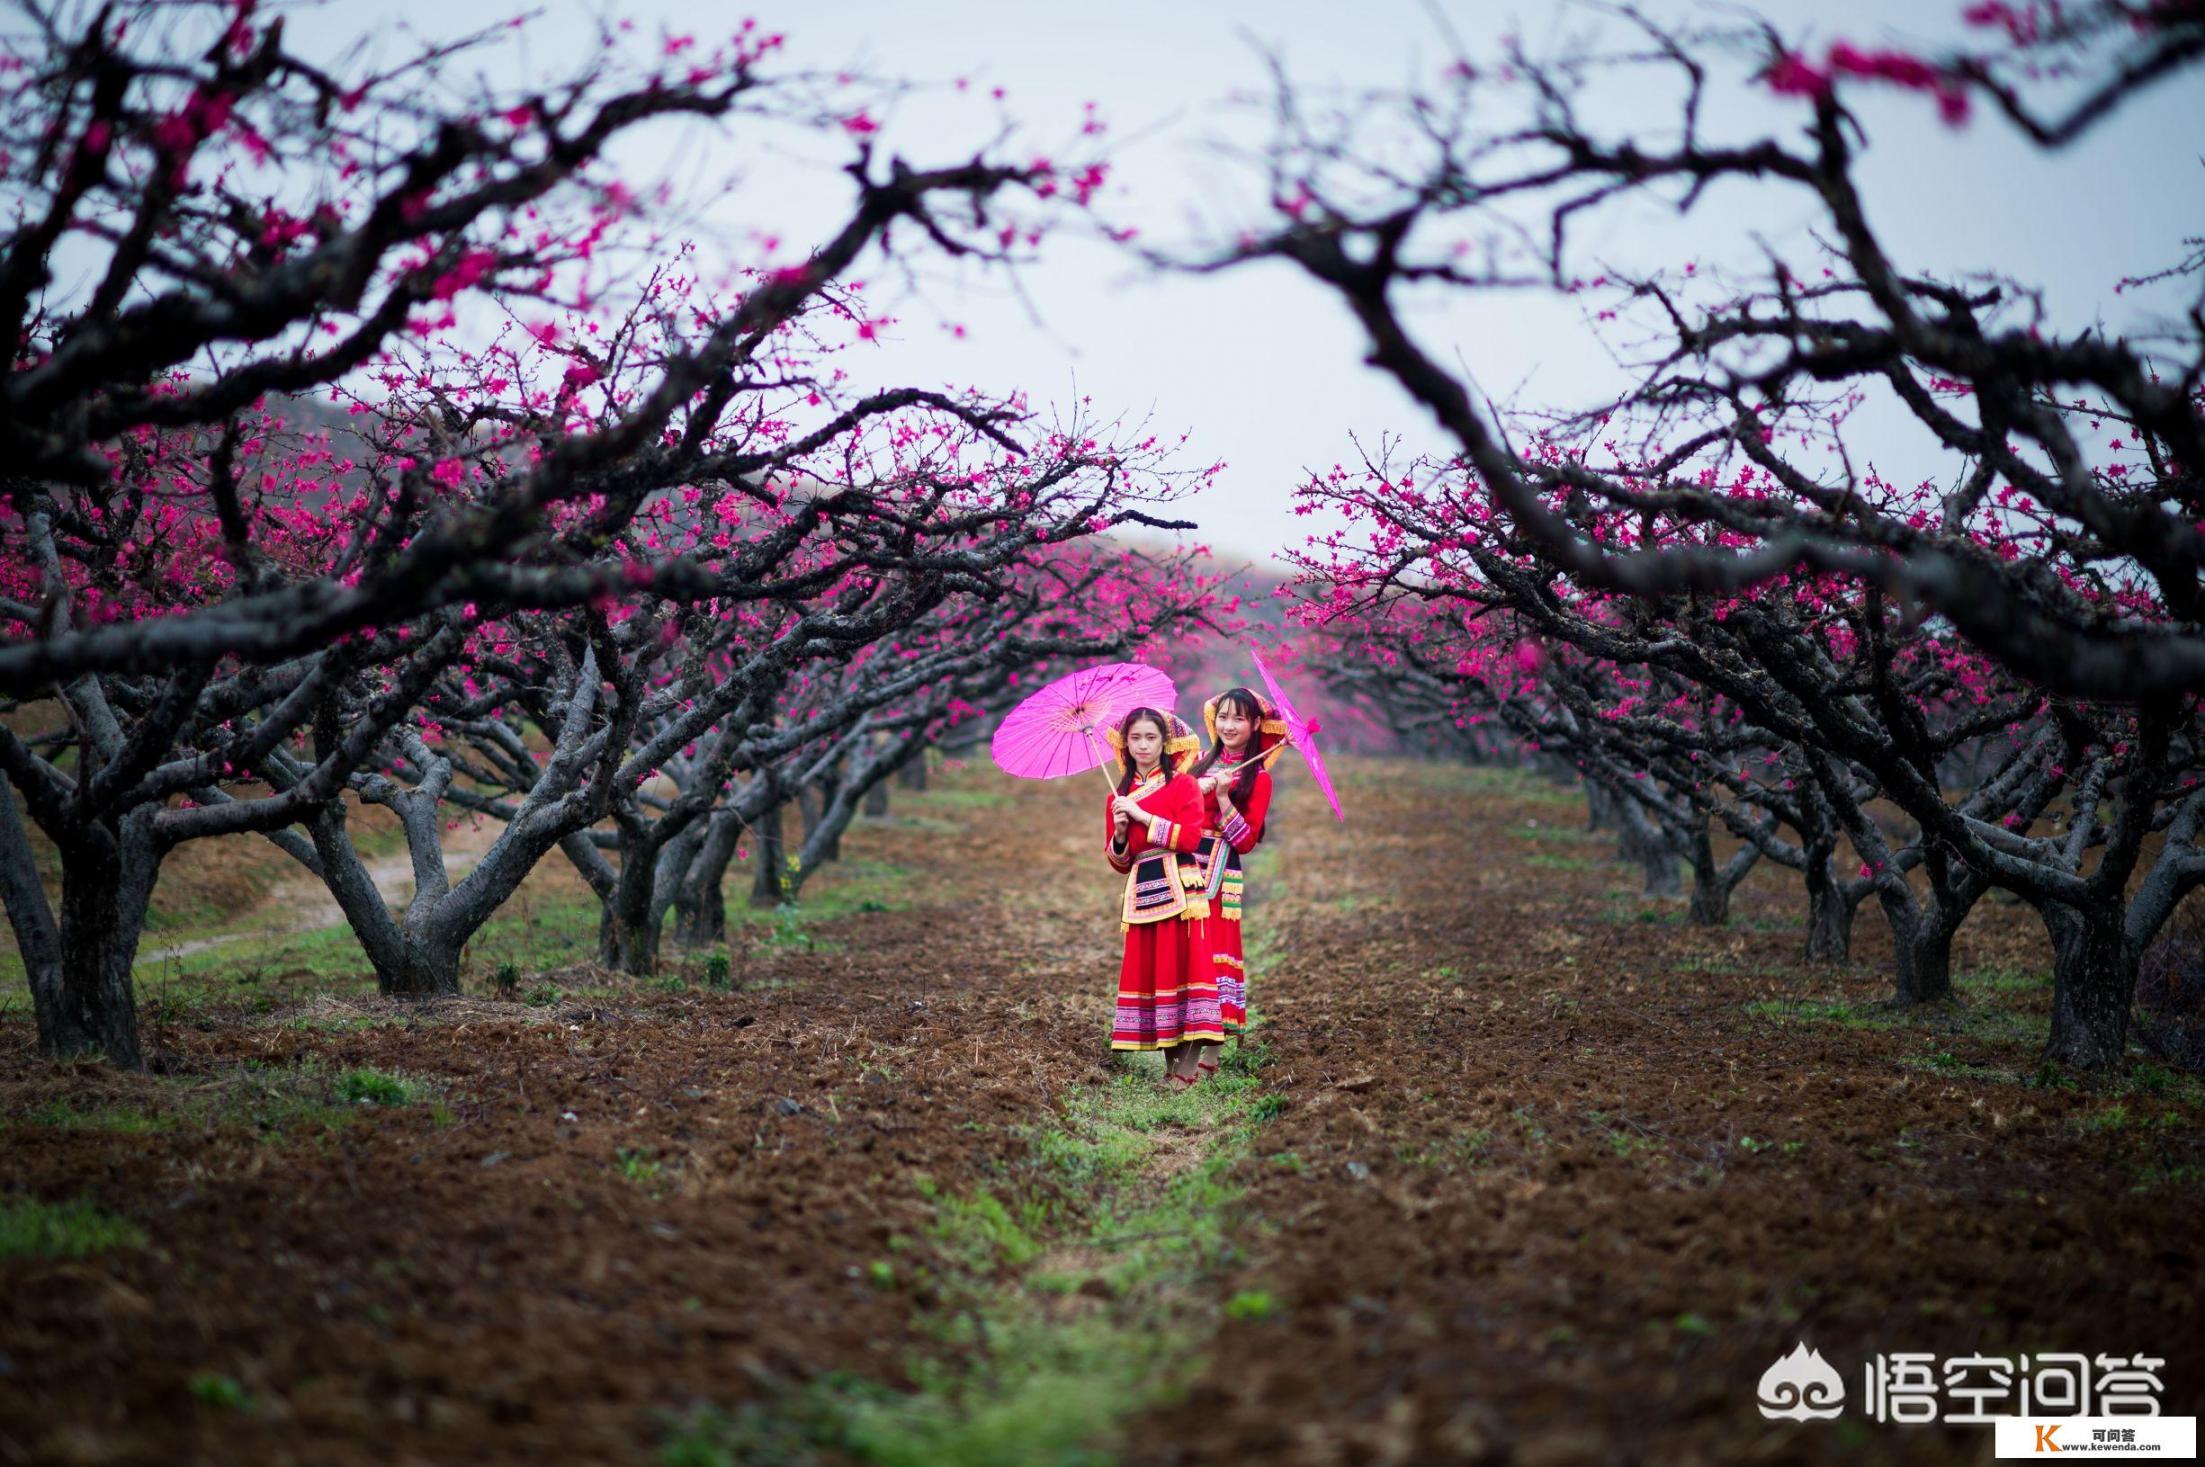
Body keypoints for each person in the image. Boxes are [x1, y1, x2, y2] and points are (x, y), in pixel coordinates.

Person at [1103, 706, 1222, 1086]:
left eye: (1150, 737)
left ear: (1164, 742)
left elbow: (1190, 839)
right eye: (1134, 738)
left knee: (1186, 970)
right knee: (1158, 975)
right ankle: (1172, 1065)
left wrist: (1142, 817)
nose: (1142, 745)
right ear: (1125, 744)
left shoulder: (1183, 785)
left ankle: (1187, 1068)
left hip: (1182, 890)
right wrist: (1121, 832)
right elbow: (1120, 861)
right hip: (1141, 891)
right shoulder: (1117, 797)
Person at [1186, 687, 1285, 1078]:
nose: (1228, 725)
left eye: (1238, 718)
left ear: (1256, 724)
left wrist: (1225, 798)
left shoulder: (1258, 779)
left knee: (1213, 957)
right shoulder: (1194, 762)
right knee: (1187, 955)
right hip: (1185, 870)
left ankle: (1207, 1058)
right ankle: (1185, 1052)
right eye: (1223, 717)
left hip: (1221, 875)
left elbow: (1246, 841)